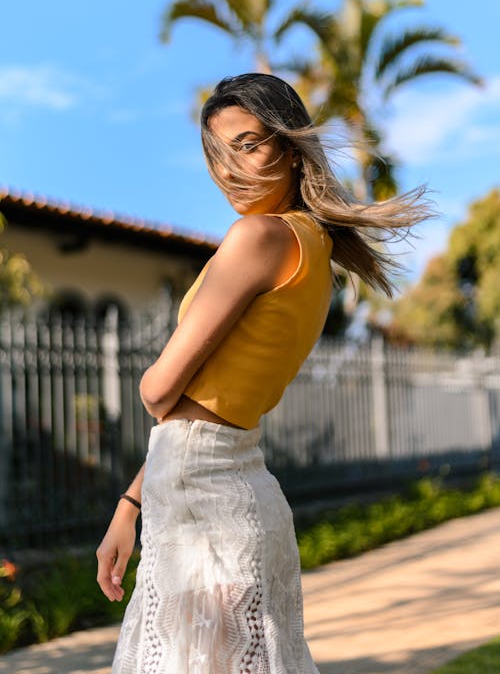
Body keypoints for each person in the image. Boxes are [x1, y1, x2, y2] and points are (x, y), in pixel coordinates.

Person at [96, 73, 436, 673]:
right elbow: (209, 409)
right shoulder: (314, 249)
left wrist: (155, 383)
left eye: (250, 143)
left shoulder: (258, 236)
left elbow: (159, 392)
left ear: (290, 143)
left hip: (206, 502)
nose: (232, 167)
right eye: (219, 153)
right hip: (229, 488)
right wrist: (130, 503)